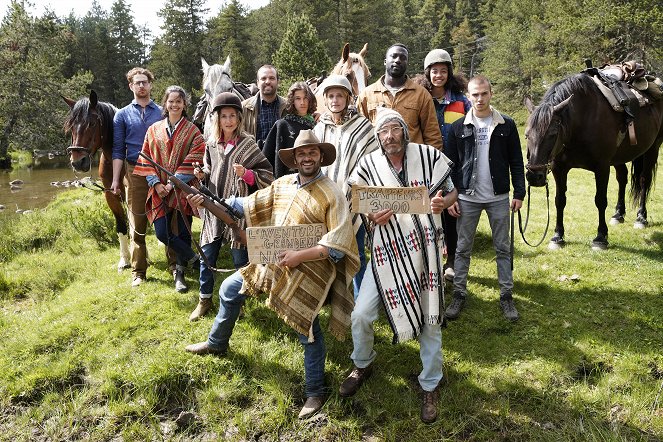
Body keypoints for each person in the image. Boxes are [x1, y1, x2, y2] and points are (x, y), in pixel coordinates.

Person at [184, 130, 359, 420]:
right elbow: (245, 205)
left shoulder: (332, 193)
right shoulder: (284, 184)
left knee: (308, 329)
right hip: (272, 262)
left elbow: (338, 247)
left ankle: (314, 391)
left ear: (320, 157)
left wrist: (299, 256)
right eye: (301, 154)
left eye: (312, 153)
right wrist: (207, 201)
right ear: (294, 158)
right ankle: (217, 343)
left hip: (309, 272)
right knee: (229, 290)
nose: (306, 157)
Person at [339, 108, 457, 424]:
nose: (389, 136)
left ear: (404, 131)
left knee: (430, 318)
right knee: (361, 314)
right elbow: (359, 202)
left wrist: (442, 203)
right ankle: (362, 362)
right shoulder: (369, 164)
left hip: (425, 253)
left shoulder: (428, 156)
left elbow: (452, 190)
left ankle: (430, 383)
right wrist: (370, 216)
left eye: (394, 129)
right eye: (383, 132)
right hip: (385, 253)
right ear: (377, 137)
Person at [444, 75, 526, 322]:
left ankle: (506, 296)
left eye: (484, 94)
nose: (479, 99)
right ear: (468, 96)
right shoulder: (457, 127)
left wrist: (519, 193)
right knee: (462, 248)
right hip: (467, 197)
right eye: (474, 95)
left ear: (491, 94)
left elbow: (516, 161)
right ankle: (459, 293)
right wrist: (452, 197)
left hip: (498, 196)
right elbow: (450, 166)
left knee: (503, 247)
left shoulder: (506, 125)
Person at [189, 92, 274, 321]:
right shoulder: (211, 144)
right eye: (224, 116)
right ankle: (204, 300)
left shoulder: (248, 143)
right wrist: (201, 174)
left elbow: (267, 174)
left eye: (232, 116)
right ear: (217, 118)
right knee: (207, 256)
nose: (228, 121)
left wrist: (247, 174)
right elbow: (209, 171)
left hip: (237, 211)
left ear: (239, 118)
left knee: (239, 259)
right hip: (212, 209)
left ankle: (238, 304)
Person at [133, 86, 205, 293]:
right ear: (165, 103)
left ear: (184, 105)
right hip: (158, 190)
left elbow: (196, 157)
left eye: (179, 101)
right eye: (171, 101)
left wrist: (173, 183)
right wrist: (156, 183)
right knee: (162, 233)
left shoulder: (193, 130)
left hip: (182, 190)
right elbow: (145, 158)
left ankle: (179, 275)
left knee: (183, 232)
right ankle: (196, 260)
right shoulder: (153, 129)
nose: (174, 105)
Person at [313, 74, 378, 297]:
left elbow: (372, 160)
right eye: (330, 96)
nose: (335, 100)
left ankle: (361, 300)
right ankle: (331, 295)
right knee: (326, 250)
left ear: (348, 98)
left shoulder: (362, 126)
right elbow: (313, 161)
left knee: (356, 252)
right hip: (326, 201)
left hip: (354, 202)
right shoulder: (320, 128)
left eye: (339, 95)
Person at [111, 67, 174, 287]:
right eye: (137, 83)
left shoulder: (161, 112)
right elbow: (118, 150)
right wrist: (116, 180)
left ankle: (175, 265)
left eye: (144, 82)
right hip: (135, 172)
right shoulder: (122, 115)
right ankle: (139, 271)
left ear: (150, 85)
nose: (141, 86)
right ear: (131, 86)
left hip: (161, 171)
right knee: (137, 223)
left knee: (168, 219)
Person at [420, 49, 472, 282]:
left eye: (443, 71)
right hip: (425, 165)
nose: (438, 75)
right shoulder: (420, 98)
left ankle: (450, 261)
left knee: (451, 214)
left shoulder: (462, 102)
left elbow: (469, 136)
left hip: (453, 165)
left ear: (449, 73)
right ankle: (425, 261)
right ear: (427, 73)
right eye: (434, 71)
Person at [356, 44, 442, 149]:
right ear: (385, 61)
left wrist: (431, 162)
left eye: (403, 58)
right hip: (377, 161)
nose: (397, 60)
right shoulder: (366, 95)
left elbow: (432, 135)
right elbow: (359, 134)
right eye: (394, 56)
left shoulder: (421, 95)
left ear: (407, 63)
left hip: (413, 161)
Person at [262, 81, 317, 178]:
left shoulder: (317, 124)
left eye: (305, 98)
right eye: (298, 98)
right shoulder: (283, 125)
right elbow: (267, 157)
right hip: (288, 180)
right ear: (292, 101)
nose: (302, 102)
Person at [242, 65, 287, 148]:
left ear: (278, 82)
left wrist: (315, 115)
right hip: (255, 158)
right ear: (258, 83)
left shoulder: (289, 107)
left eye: (272, 78)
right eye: (263, 78)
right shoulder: (243, 108)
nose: (267, 81)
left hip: (281, 158)